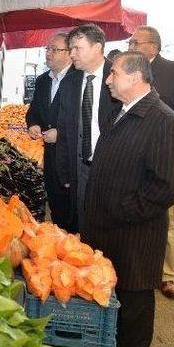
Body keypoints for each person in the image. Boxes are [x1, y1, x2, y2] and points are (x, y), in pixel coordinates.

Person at [83, 51, 174, 347]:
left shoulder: (165, 121)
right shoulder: (124, 109)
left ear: (135, 77)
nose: (109, 80)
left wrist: (125, 211)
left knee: (135, 287)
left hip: (134, 228)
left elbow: (165, 186)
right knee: (115, 284)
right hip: (109, 222)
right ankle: (114, 337)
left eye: (113, 74)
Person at [128, 26, 174, 299]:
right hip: (130, 160)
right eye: (130, 41)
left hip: (164, 163)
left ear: (153, 47)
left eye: (136, 42)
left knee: (165, 219)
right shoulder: (126, 70)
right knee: (133, 213)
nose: (131, 45)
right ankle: (135, 267)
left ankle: (167, 275)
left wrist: (172, 151)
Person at [55, 24, 120, 232]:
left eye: (77, 48)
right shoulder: (70, 82)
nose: (72, 54)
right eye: (70, 48)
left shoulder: (120, 77)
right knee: (82, 223)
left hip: (112, 169)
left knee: (109, 226)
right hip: (79, 167)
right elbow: (64, 130)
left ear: (97, 47)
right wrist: (64, 172)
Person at [26, 32, 76, 231]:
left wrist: (61, 134)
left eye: (55, 50)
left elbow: (84, 122)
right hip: (50, 157)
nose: (49, 54)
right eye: (47, 49)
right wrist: (33, 124)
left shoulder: (78, 80)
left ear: (69, 53)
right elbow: (34, 111)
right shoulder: (42, 81)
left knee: (71, 212)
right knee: (54, 205)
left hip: (70, 159)